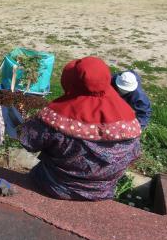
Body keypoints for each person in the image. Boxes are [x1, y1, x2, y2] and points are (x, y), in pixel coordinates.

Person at [19, 57, 141, 201]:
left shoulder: (55, 117)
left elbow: (28, 141)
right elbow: (134, 154)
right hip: (102, 191)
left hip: (55, 186)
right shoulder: (128, 117)